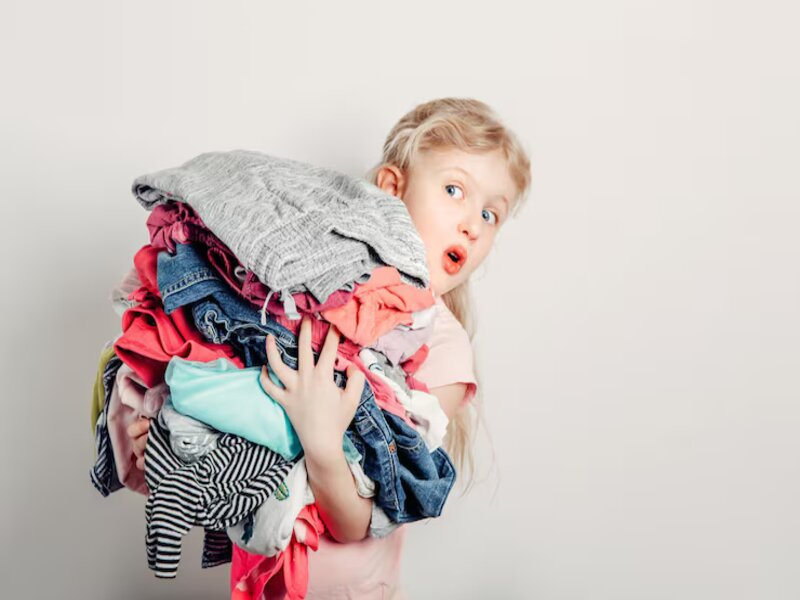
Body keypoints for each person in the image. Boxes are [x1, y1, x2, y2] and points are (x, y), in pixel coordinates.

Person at [127, 97, 532, 598]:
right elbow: (237, 448)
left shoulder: (443, 350)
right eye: (454, 190)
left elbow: (355, 524)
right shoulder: (305, 303)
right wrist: (173, 445)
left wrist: (320, 437)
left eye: (492, 214)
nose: (473, 223)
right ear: (391, 189)